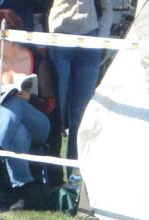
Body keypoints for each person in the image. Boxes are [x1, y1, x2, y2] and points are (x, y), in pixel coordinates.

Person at [0, 8, 57, 210]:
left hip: (36, 122)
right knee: (18, 132)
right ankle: (23, 187)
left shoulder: (38, 60)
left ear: (7, 38)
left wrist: (30, 99)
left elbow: (49, 105)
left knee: (17, 103)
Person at [48, 0, 113, 180]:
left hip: (90, 44)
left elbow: (107, 9)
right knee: (55, 113)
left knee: (81, 114)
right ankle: (52, 174)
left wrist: (102, 40)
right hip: (58, 40)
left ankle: (75, 171)